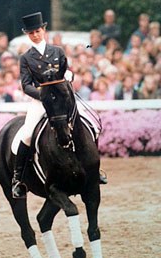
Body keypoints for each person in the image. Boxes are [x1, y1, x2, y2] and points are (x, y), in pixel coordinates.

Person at [11, 12, 107, 199]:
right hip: (40, 101)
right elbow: (26, 85)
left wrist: (70, 76)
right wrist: (44, 96)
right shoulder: (26, 58)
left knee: (90, 125)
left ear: (43, 30)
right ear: (27, 34)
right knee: (28, 133)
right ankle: (18, 179)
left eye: (37, 31)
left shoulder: (58, 51)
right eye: (31, 33)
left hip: (63, 99)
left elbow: (66, 71)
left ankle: (95, 168)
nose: (35, 35)